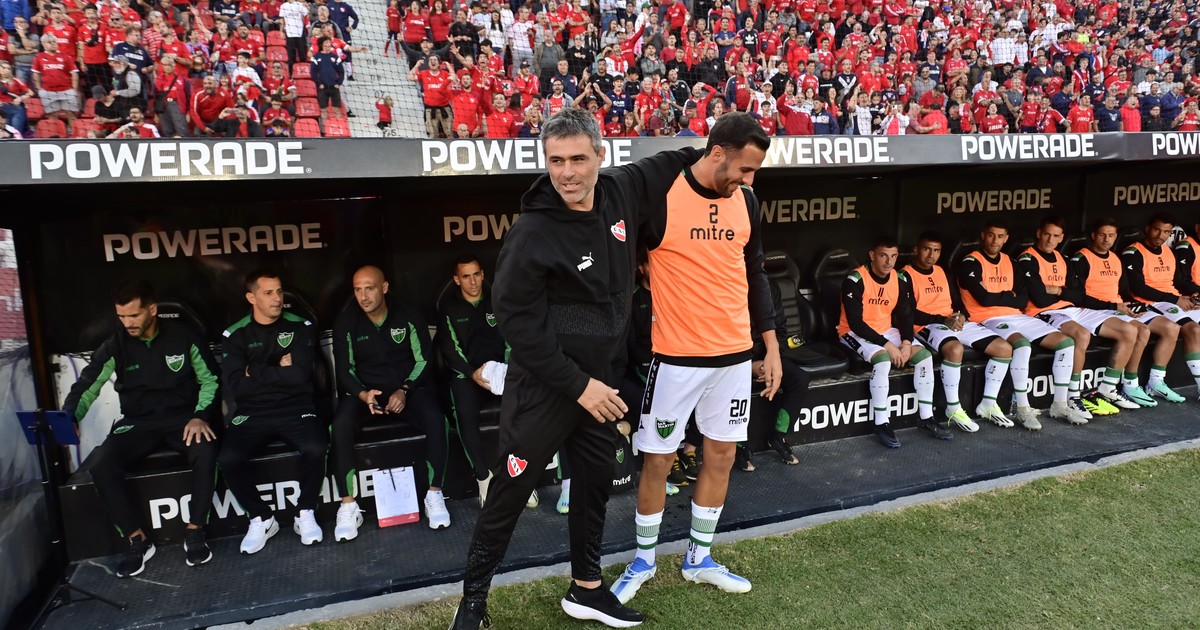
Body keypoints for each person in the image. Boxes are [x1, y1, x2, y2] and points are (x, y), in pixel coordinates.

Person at [450, 108, 696, 630]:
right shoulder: (531, 232)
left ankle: (586, 590)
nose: (567, 172)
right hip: (547, 387)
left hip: (599, 385)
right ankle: (472, 602)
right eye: (556, 160)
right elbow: (518, 326)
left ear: (600, 156)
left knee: (593, 484)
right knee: (510, 493)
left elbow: (682, 158)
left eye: (579, 159)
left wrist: (726, 159)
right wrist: (579, 386)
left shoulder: (621, 188)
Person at [611, 113, 778, 605]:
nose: (750, 180)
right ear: (717, 153)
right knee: (658, 460)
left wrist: (770, 345)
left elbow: (755, 273)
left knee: (721, 455)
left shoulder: (747, 201)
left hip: (735, 359)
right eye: (745, 169)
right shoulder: (662, 195)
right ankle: (643, 560)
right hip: (677, 360)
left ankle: (698, 558)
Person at [62, 280, 219, 577]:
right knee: (101, 464)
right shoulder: (115, 344)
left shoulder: (184, 336)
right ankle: (137, 540)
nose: (128, 323)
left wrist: (200, 415)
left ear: (152, 310)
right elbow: (87, 385)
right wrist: (70, 416)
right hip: (137, 422)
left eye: (134, 315)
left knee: (206, 451)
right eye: (121, 316)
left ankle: (195, 530)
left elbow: (210, 380)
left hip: (182, 418)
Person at [331, 265, 452, 540]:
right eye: (358, 290)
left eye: (370, 288)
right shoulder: (346, 322)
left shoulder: (409, 315)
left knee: (436, 418)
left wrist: (405, 389)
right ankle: (348, 505)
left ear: (384, 288)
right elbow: (344, 371)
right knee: (340, 425)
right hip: (365, 394)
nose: (363, 296)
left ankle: (434, 494)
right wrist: (363, 394)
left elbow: (424, 361)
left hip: (407, 390)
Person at [217, 271, 329, 554]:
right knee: (228, 458)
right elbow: (237, 386)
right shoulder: (235, 334)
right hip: (252, 410)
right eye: (268, 293)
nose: (277, 298)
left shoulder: (300, 326)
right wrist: (280, 369)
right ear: (251, 297)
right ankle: (261, 518)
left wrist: (253, 370)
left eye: (279, 291)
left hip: (297, 406)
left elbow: (301, 376)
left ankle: (305, 512)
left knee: (316, 447)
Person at [1017, 216, 1141, 423]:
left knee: (1129, 331)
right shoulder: (1027, 259)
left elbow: (1079, 295)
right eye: (1047, 234)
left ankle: (1108, 387)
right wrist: (1065, 293)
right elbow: (1039, 298)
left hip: (1072, 309)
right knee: (1081, 335)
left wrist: (1057, 290)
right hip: (1043, 312)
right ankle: (1073, 396)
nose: (1050, 240)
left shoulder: (1063, 258)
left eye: (1056, 236)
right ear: (1039, 233)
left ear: (1061, 238)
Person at [958, 221, 1076, 431]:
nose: (995, 241)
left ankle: (1060, 404)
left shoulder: (1011, 262)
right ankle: (1023, 407)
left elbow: (1022, 300)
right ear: (983, 236)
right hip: (987, 318)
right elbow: (984, 299)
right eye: (991, 235)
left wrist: (1000, 296)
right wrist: (1009, 295)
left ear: (1006, 238)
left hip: (1017, 315)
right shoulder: (971, 261)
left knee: (1066, 343)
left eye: (1000, 236)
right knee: (1022, 345)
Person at [830, 236, 942, 446]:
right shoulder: (855, 279)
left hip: (885, 330)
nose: (889, 262)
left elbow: (906, 315)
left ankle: (927, 417)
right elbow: (856, 323)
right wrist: (888, 345)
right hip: (852, 332)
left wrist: (906, 343)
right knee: (883, 360)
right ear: (872, 255)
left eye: (893, 256)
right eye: (883, 255)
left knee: (924, 356)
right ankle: (881, 423)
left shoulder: (899, 279)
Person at [1066, 217, 1185, 409]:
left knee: (1147, 330)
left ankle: (1131, 384)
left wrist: (1133, 306)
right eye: (1102, 235)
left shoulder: (1115, 258)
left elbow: (1123, 292)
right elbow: (1078, 297)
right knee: (1131, 331)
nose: (1106, 239)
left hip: (1115, 307)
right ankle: (1109, 387)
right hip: (1091, 310)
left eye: (1111, 235)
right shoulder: (1080, 258)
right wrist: (1114, 306)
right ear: (1093, 235)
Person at [903, 231, 1016, 433]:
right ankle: (953, 407)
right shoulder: (904, 275)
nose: (931, 255)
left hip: (951, 321)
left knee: (1004, 349)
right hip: (925, 325)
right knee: (955, 349)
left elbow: (957, 301)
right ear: (916, 250)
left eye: (936, 251)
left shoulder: (941, 271)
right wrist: (942, 320)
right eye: (927, 249)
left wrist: (962, 314)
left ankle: (988, 403)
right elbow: (908, 313)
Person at [436, 255, 513, 508]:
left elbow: (512, 340)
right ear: (457, 280)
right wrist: (472, 373)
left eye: (476, 275)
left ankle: (517, 475)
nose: (472, 282)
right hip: (468, 375)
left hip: (500, 371)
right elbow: (450, 350)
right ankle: (483, 477)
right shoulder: (449, 308)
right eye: (466, 276)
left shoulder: (498, 300)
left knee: (521, 404)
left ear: (483, 275)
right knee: (464, 411)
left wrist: (508, 370)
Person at [1120, 213, 1200, 402]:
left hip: (1171, 299)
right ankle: (1156, 382)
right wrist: (1175, 300)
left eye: (1166, 232)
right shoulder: (1133, 252)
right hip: (1150, 302)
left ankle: (1155, 383)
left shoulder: (1168, 252)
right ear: (1147, 228)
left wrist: (1193, 295)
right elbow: (1137, 287)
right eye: (1157, 230)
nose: (1161, 235)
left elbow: (1177, 281)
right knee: (1191, 329)